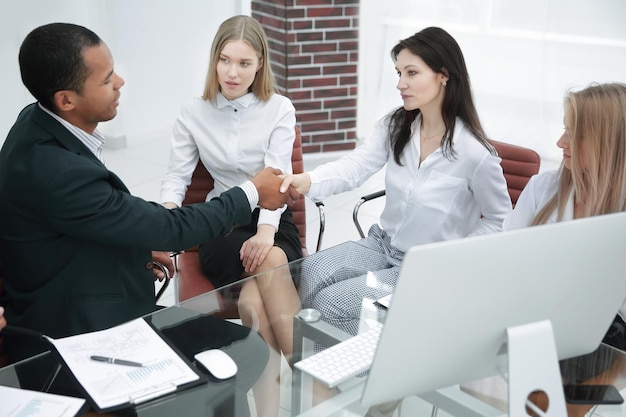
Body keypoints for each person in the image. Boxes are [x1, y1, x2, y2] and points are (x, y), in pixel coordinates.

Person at [0, 22, 298, 364]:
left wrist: (138, 247)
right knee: (243, 353)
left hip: (78, 293)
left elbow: (92, 223)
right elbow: (167, 225)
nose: (120, 83)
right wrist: (252, 192)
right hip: (78, 331)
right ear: (65, 99)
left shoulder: (35, 123)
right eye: (107, 78)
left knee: (247, 331)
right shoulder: (57, 171)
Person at [280, 26, 512, 338]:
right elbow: (358, 164)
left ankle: (357, 380)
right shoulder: (398, 124)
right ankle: (324, 372)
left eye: (412, 73)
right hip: (382, 243)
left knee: (332, 303)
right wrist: (308, 180)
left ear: (444, 74)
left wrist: (453, 255)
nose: (400, 84)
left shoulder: (474, 153)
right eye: (398, 72)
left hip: (424, 266)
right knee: (311, 272)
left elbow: (500, 219)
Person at [159, 16, 301, 417]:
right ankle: (318, 384)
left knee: (255, 305)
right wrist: (166, 223)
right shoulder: (194, 112)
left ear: (260, 63)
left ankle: (269, 414)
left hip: (272, 216)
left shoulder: (279, 108)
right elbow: (176, 178)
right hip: (222, 222)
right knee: (268, 268)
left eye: (243, 63)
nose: (232, 73)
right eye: (225, 60)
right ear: (214, 60)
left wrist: (265, 233)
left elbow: (276, 179)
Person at [504, 82, 626, 351]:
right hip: (530, 322)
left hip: (601, 345)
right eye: (564, 129)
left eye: (573, 133)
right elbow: (505, 260)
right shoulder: (543, 188)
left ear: (607, 142)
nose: (560, 142)